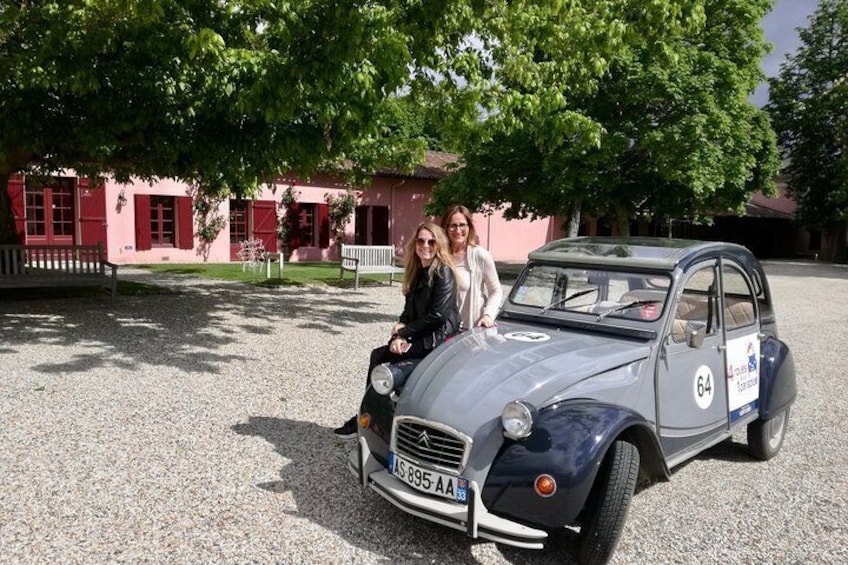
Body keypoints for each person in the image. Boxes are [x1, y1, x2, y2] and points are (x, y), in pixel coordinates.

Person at [333, 221, 460, 439]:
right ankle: (366, 417)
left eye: (431, 241)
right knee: (379, 355)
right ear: (415, 244)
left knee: (386, 362)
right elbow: (407, 315)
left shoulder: (443, 273)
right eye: (421, 240)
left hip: (437, 341)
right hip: (421, 336)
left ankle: (369, 419)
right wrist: (397, 336)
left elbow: (437, 316)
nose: (426, 245)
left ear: (439, 245)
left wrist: (403, 334)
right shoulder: (417, 272)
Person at [440, 205, 503, 331]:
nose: (458, 230)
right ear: (445, 229)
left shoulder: (480, 255)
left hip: (469, 330)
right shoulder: (440, 255)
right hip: (442, 330)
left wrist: (488, 315)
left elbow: (496, 291)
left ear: (469, 227)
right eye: (453, 225)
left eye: (462, 225)